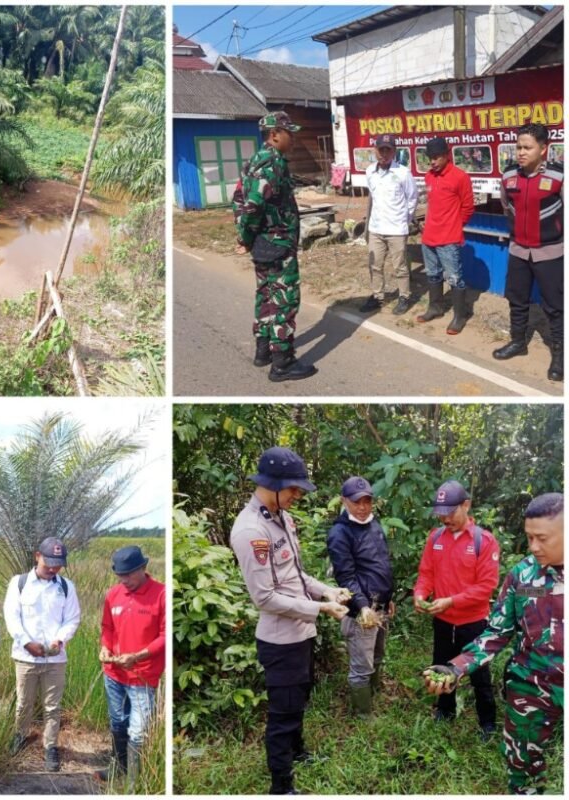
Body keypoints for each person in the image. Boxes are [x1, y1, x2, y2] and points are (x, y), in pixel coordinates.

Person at [424, 493, 563, 795]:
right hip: (531, 689)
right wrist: (455, 667)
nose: (533, 547)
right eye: (529, 538)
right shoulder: (523, 575)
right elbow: (497, 632)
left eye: (542, 538)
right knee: (523, 762)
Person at [230, 447, 349, 795]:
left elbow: (294, 575)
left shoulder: (281, 517)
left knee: (299, 700)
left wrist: (327, 591)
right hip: (281, 642)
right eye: (294, 488)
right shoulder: (250, 530)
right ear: (272, 485)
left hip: (301, 634)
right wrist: (320, 609)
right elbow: (264, 597)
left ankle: (297, 752)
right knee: (282, 717)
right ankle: (281, 786)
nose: (298, 495)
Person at [413, 480, 500, 738]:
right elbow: (426, 573)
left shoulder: (483, 541)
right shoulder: (435, 537)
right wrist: (420, 594)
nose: (445, 518)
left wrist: (451, 600)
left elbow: (486, 587)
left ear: (466, 505)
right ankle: (445, 711)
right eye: (441, 513)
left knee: (479, 674)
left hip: (473, 622)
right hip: (442, 620)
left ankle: (487, 722)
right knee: (441, 666)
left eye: (451, 512)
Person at [233, 112, 316, 382]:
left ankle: (263, 350)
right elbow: (253, 204)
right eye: (289, 132)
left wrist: (245, 236)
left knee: (266, 295)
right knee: (284, 301)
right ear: (275, 134)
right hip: (277, 244)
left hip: (262, 243)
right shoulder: (272, 163)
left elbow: (237, 199)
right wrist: (245, 235)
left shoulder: (252, 162)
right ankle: (282, 362)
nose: (293, 138)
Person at [493, 123, 564, 382]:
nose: (521, 152)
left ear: (543, 149)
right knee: (517, 300)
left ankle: (559, 355)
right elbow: (505, 206)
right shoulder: (509, 175)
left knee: (555, 306)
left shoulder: (558, 177)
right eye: (518, 147)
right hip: (519, 251)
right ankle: (518, 342)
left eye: (527, 147)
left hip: (550, 252)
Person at [3, 537, 81, 771]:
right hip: (25, 657)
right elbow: (12, 616)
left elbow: (72, 618)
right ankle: (21, 735)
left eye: (58, 564)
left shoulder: (66, 587)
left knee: (52, 706)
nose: (53, 568)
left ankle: (50, 746)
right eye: (49, 563)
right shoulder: (19, 583)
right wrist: (27, 643)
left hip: (55, 659)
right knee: (24, 703)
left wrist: (61, 639)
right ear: (37, 556)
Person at [96, 545, 165, 791]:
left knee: (138, 731)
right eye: (120, 575)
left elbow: (166, 636)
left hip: (142, 675)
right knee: (117, 722)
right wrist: (105, 648)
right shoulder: (113, 594)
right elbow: (107, 628)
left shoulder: (162, 594)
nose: (124, 580)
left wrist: (138, 656)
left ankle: (134, 783)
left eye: (129, 575)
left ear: (143, 568)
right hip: (114, 674)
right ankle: (118, 769)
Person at [326, 476, 395, 716]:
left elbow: (382, 564)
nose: (363, 507)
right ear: (345, 501)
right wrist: (364, 606)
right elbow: (346, 577)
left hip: (380, 604)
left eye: (367, 501)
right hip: (361, 610)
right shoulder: (340, 533)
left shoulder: (374, 524)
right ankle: (363, 715)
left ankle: (374, 692)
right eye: (357, 502)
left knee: (377, 654)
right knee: (361, 665)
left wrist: (388, 598)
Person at [416, 136, 475, 334]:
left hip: (449, 239)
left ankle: (460, 315)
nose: (432, 161)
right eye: (430, 157)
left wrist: (455, 227)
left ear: (446, 155)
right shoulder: (429, 176)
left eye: (436, 157)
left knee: (454, 278)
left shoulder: (460, 177)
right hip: (429, 237)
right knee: (432, 274)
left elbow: (467, 208)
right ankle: (435, 307)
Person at [360, 133, 419, 315]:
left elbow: (412, 199)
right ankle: (378, 296)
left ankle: (404, 296)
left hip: (396, 229)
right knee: (375, 265)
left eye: (388, 150)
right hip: (376, 229)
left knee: (400, 266)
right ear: (375, 151)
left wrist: (404, 220)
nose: (384, 154)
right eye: (381, 149)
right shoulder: (370, 171)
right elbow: (373, 198)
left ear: (394, 152)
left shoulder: (403, 173)